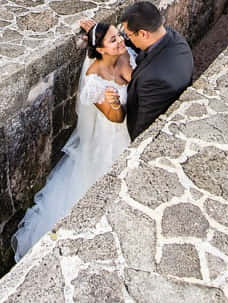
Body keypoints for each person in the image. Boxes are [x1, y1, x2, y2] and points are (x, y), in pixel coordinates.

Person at [11, 21, 135, 261]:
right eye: (113, 40)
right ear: (100, 50)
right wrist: (116, 104)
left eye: (119, 36)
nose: (120, 40)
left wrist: (97, 30)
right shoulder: (94, 81)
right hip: (111, 136)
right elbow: (116, 118)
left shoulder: (124, 53)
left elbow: (130, 67)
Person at [119, 1, 194, 140]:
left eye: (129, 34)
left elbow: (143, 130)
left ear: (143, 33)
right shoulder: (175, 38)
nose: (127, 38)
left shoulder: (153, 79)